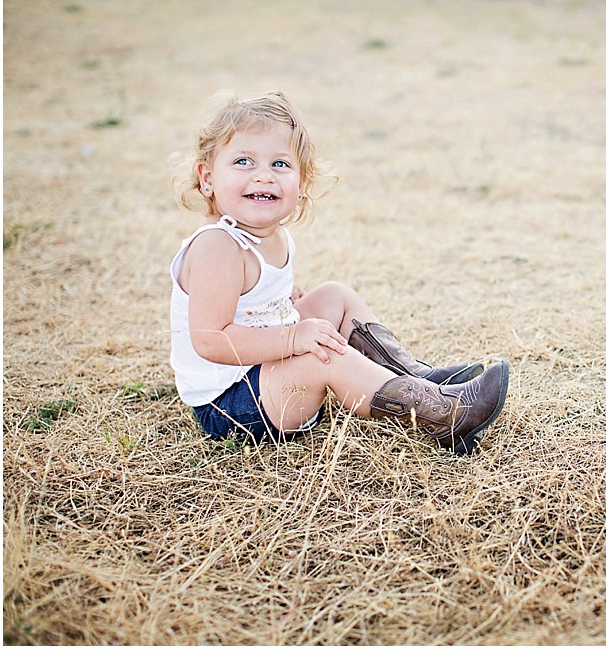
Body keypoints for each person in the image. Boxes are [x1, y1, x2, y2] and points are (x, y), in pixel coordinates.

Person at [169, 91, 509, 455]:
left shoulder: (271, 235)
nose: (264, 176)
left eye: (280, 165)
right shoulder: (216, 246)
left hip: (263, 371)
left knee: (334, 296)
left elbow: (252, 300)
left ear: (301, 184)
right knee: (321, 352)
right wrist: (292, 338)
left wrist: (280, 303)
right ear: (207, 178)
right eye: (243, 161)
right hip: (232, 405)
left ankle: (414, 377)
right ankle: (442, 414)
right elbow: (211, 340)